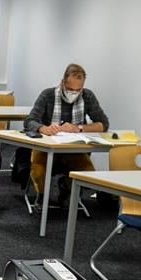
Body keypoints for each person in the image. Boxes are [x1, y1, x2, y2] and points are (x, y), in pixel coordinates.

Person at [23, 63, 110, 201]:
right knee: (39, 173)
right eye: (70, 89)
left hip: (73, 148)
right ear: (62, 82)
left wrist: (79, 128)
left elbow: (103, 124)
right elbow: (29, 121)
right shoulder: (48, 95)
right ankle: (42, 197)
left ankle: (67, 188)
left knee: (88, 174)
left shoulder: (87, 96)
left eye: (78, 90)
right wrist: (43, 128)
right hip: (46, 148)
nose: (73, 93)